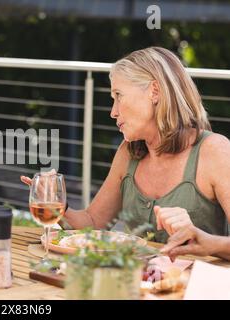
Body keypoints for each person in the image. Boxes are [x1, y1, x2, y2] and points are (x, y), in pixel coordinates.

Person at [21, 47, 230, 252]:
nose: (113, 112)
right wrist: (58, 204)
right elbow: (94, 223)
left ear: (154, 92)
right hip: (137, 283)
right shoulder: (128, 152)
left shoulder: (215, 152)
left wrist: (200, 238)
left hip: (197, 284)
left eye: (118, 95)